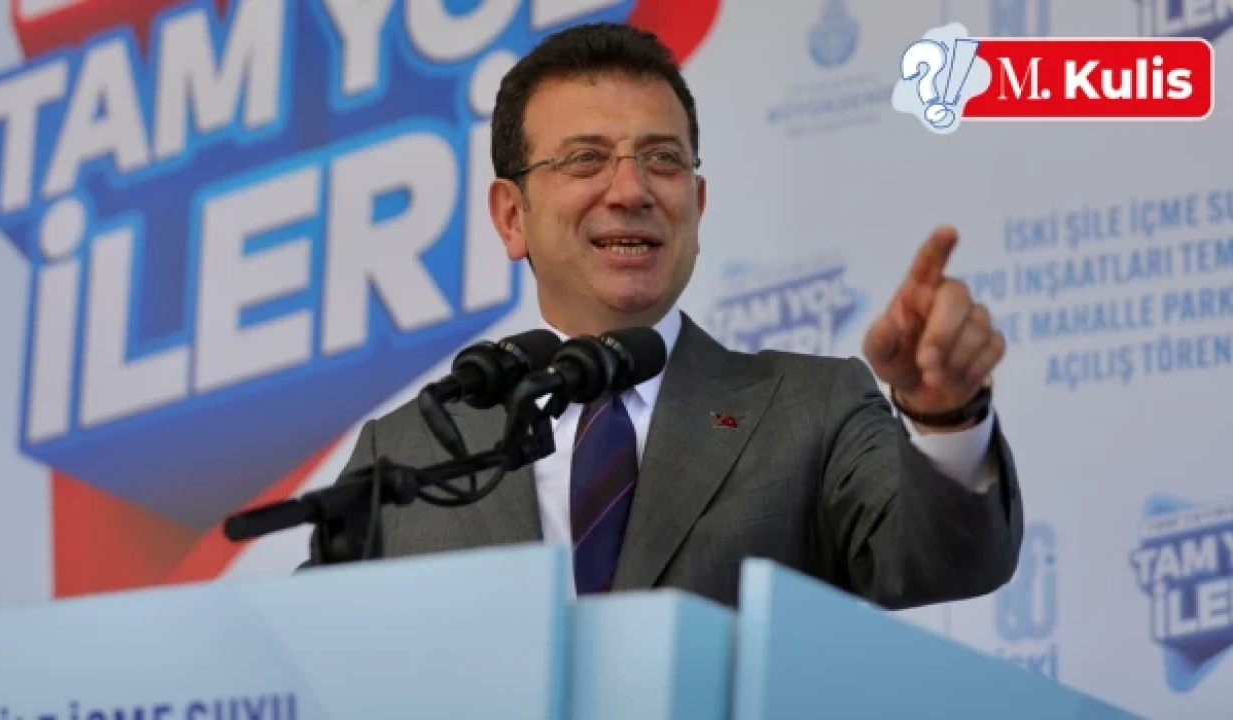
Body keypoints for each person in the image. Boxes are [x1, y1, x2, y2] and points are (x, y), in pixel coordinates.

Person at [300, 22, 1022, 610]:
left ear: (696, 207)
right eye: (586, 159)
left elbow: (945, 561)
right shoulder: (409, 453)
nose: (631, 190)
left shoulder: (811, 410)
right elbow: (309, 669)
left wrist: (945, 417)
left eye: (663, 160)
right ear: (511, 216)